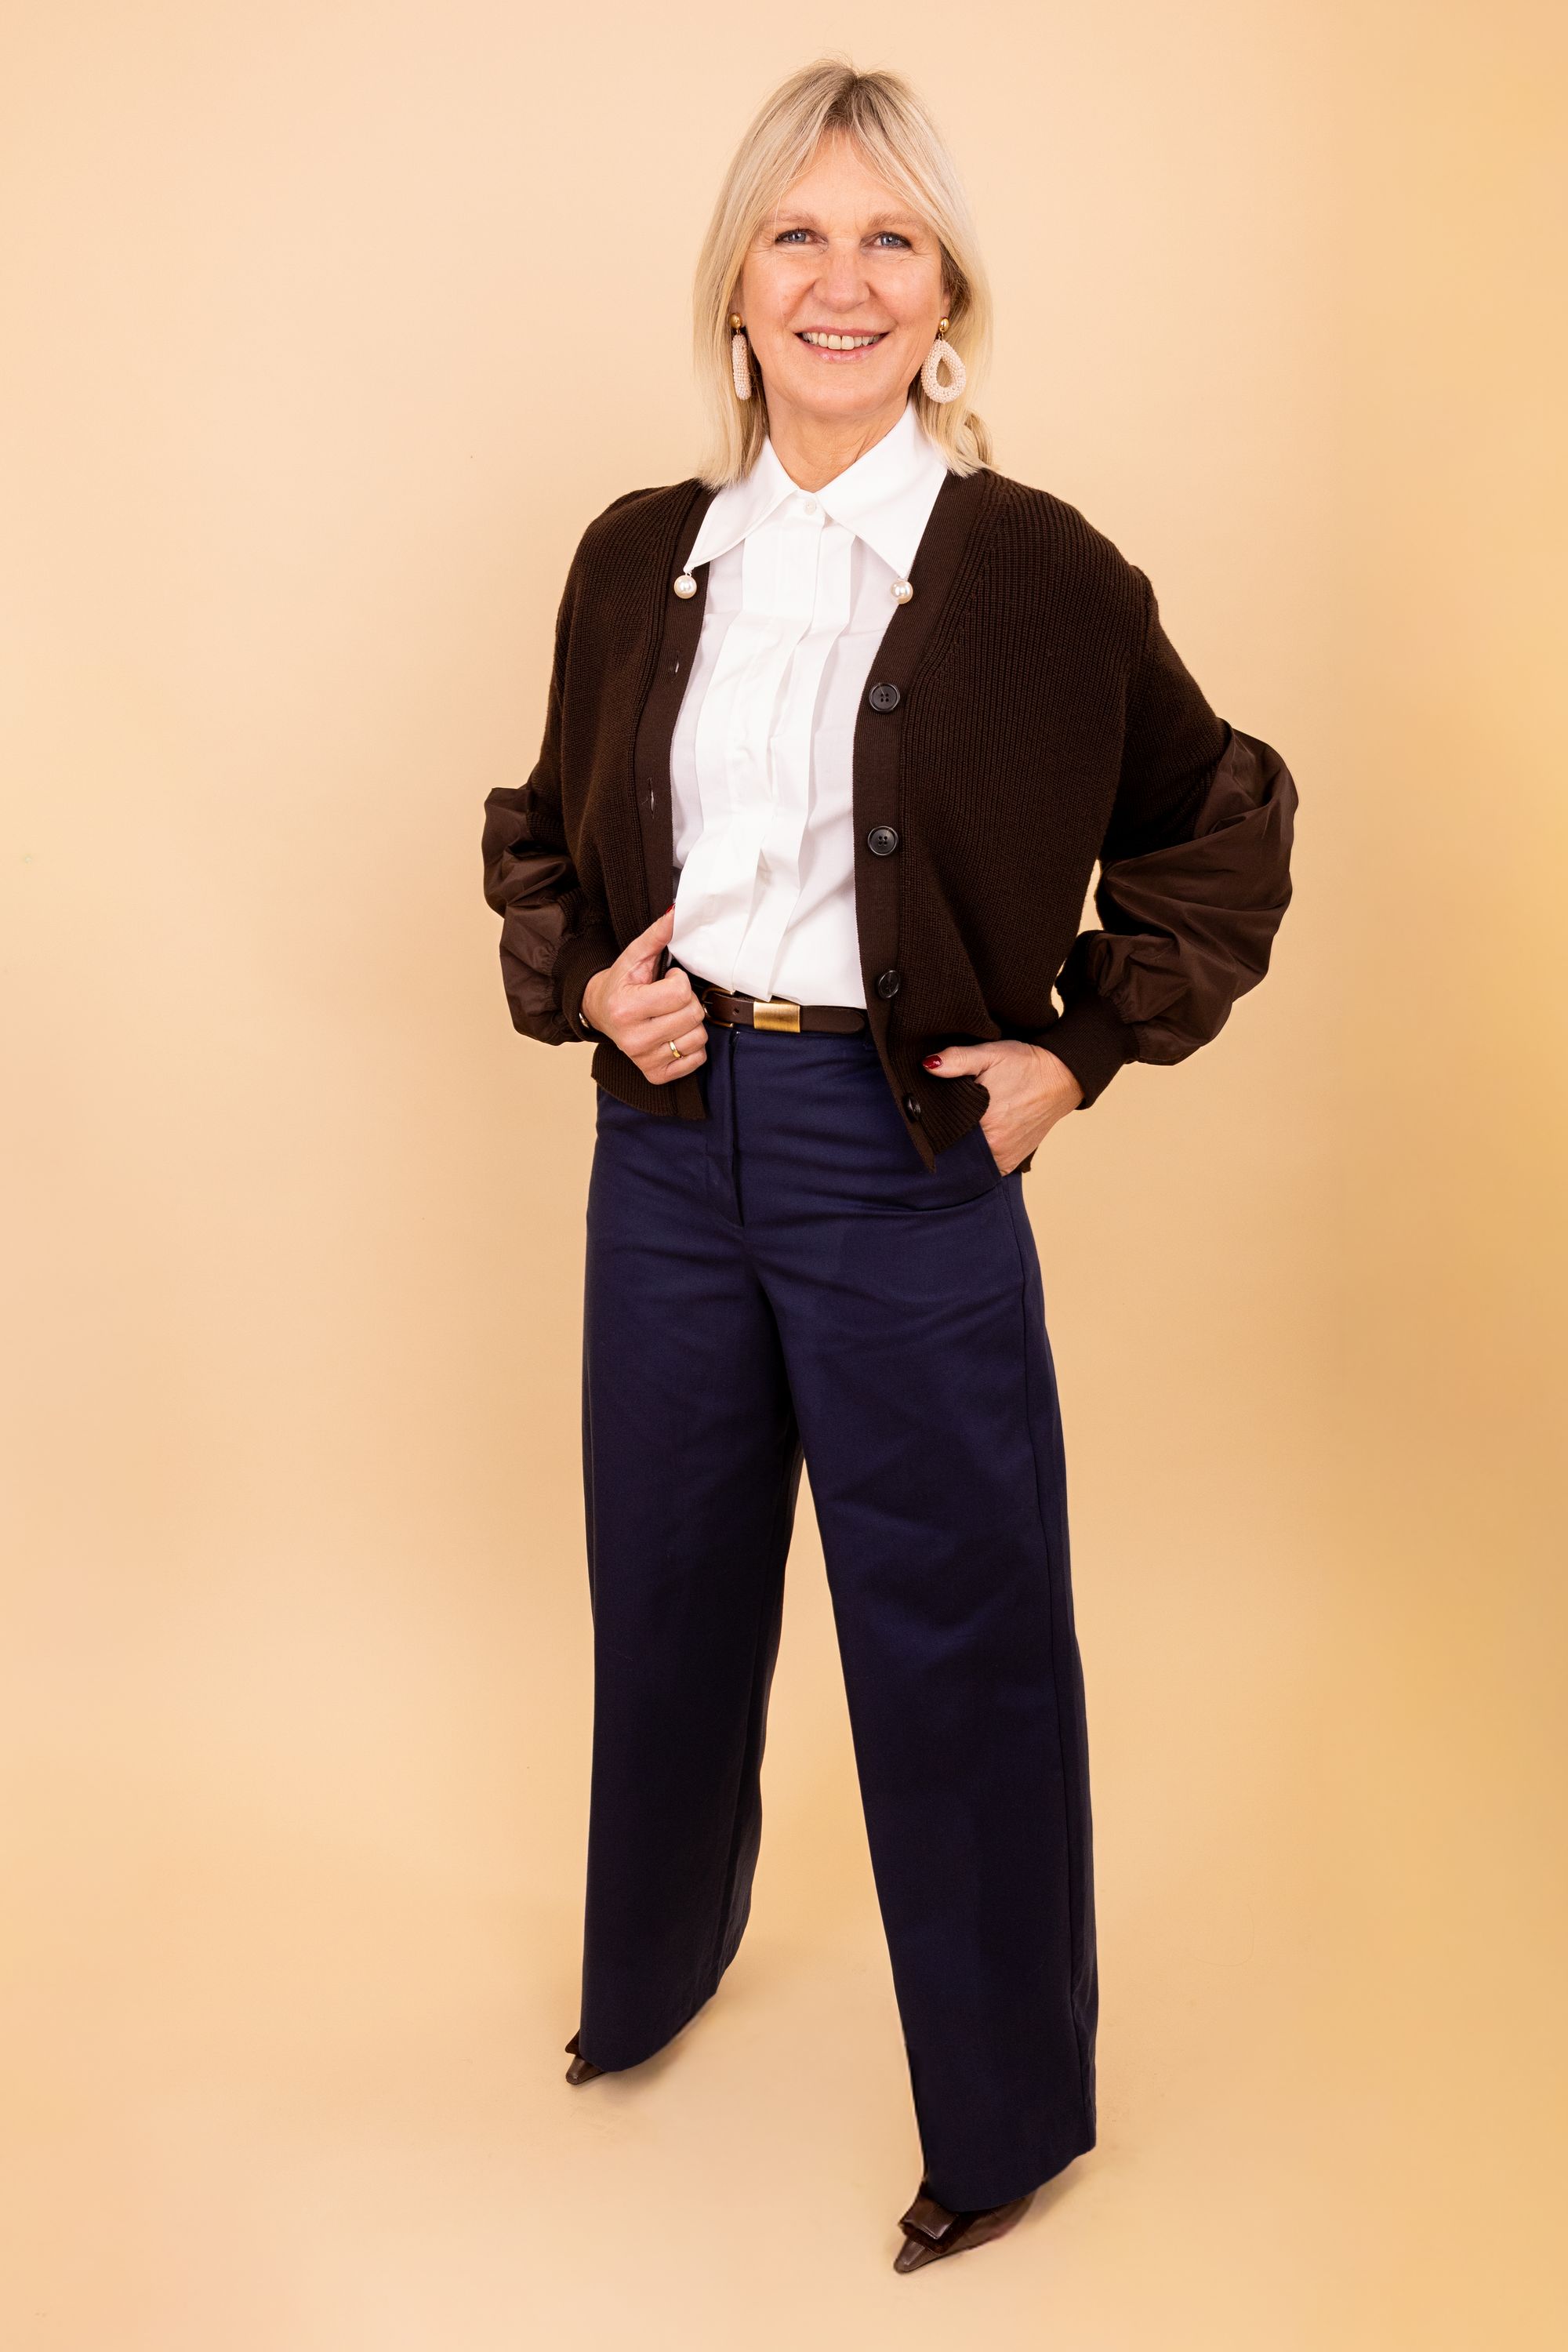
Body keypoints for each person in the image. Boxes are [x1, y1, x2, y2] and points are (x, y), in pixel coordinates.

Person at [481, 60, 1296, 2274]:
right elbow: (550, 836)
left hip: (897, 1151)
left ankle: (1006, 2121)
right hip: (667, 1156)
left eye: (890, 241)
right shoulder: (637, 558)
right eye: (797, 236)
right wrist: (599, 992)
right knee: (665, 1593)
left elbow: (1223, 823)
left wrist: (1077, 1055)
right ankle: (652, 1980)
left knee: (959, 1634)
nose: (839, 284)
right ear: (734, 287)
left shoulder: (1037, 576)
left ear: (948, 299)